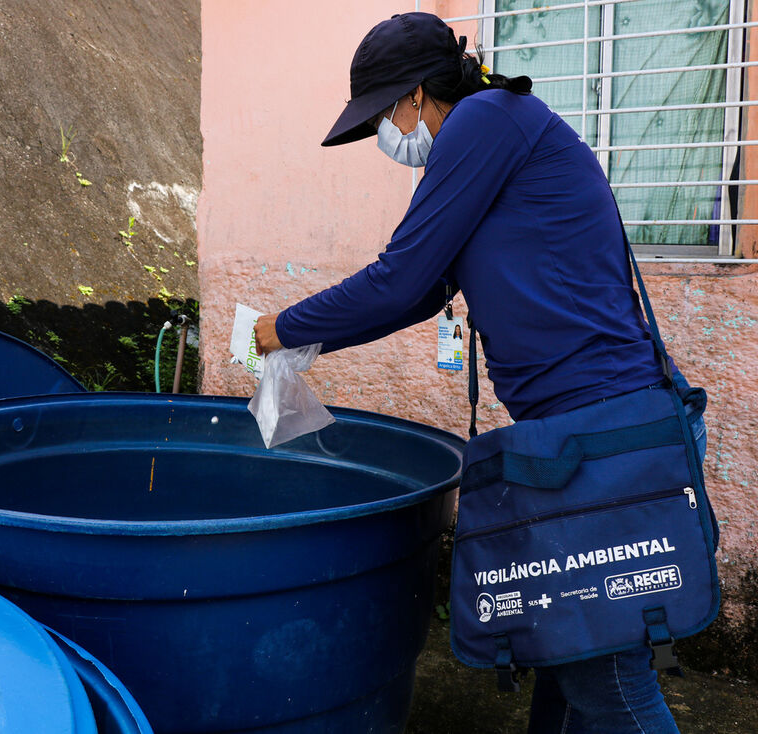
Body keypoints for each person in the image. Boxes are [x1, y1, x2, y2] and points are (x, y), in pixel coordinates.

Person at [253, 12, 704, 733]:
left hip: (605, 441)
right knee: (568, 656)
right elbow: (425, 290)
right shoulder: (492, 136)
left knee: (612, 692)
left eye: (382, 119)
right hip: (582, 438)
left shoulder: (485, 121)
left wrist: (282, 327)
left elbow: (400, 279)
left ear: (417, 95)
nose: (384, 138)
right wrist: (306, 345)